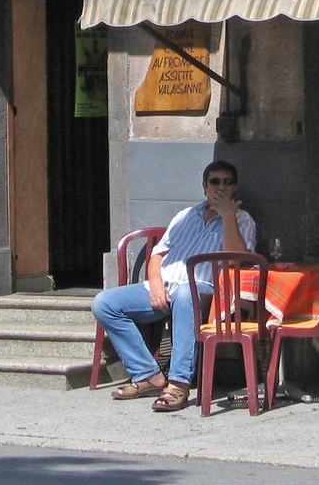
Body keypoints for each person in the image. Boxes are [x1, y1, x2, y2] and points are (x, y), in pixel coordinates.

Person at [90, 160, 256, 412]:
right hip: (164, 286)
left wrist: (228, 216)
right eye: (214, 182)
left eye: (227, 182)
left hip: (203, 289)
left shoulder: (242, 220)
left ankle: (178, 383)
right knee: (104, 303)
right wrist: (155, 285)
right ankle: (147, 373)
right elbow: (157, 255)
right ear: (204, 186)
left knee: (184, 290)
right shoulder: (185, 216)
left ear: (235, 188)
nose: (220, 188)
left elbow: (237, 260)